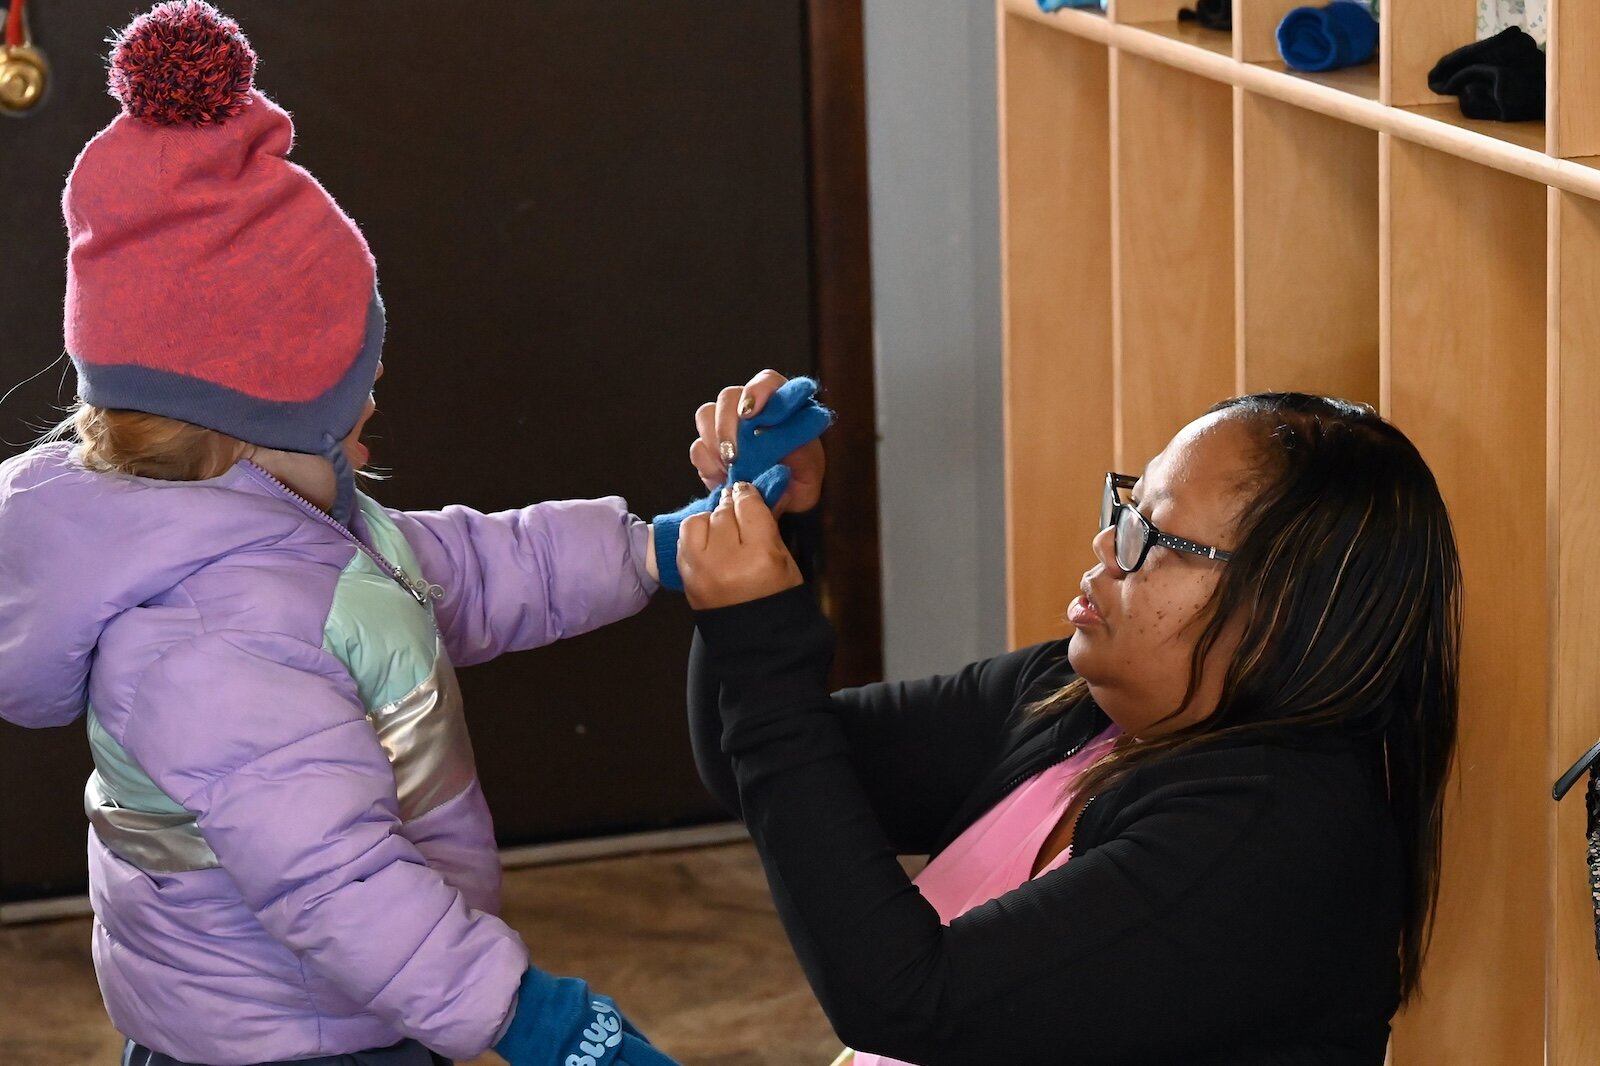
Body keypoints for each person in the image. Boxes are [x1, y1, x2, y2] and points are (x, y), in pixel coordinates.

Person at [0, 4, 829, 1064]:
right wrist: (534, 1014)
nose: (376, 381)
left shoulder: (292, 533)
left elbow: (476, 570)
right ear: (274, 399)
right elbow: (337, 886)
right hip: (294, 1039)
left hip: (360, 1010)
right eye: (356, 364)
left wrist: (657, 546)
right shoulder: (205, 641)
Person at [679, 374, 1462, 1065]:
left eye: (1156, 538)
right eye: (1129, 506)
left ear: (1288, 609)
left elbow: (914, 1002)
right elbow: (749, 752)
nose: (1105, 546)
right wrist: (767, 516)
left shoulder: (1274, 837)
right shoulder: (1079, 698)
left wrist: (762, 646)